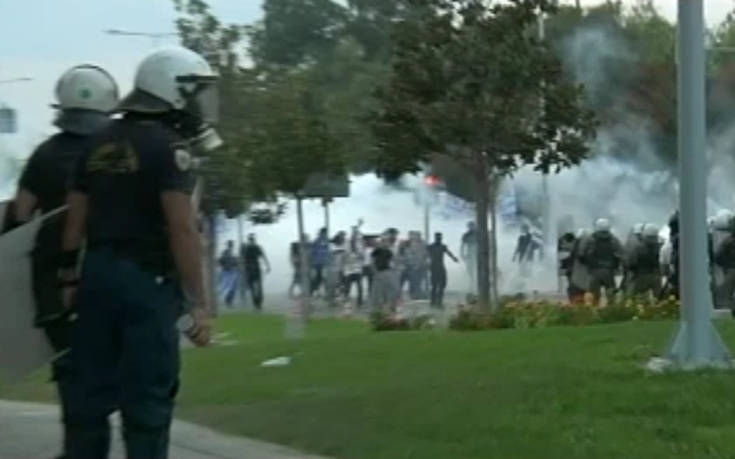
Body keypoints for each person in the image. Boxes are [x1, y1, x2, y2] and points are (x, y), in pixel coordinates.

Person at [60, 47, 217, 458]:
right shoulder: (170, 148)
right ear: (173, 90)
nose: (199, 104)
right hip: (147, 281)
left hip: (96, 277)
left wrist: (69, 277)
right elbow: (182, 228)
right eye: (195, 92)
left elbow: (75, 220)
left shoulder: (97, 141)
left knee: (90, 395)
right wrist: (198, 303)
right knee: (147, 397)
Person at [9, 64, 118, 459]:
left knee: (71, 367)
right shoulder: (120, 153)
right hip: (113, 273)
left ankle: (80, 449)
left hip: (55, 279)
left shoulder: (45, 154)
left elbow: (21, 214)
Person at [580, 218, 623, 304]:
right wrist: (616, 265)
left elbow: (581, 254)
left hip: (594, 271)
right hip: (609, 271)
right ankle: (612, 310)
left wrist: (587, 264)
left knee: (594, 297)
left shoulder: (590, 239)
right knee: (611, 296)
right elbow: (621, 254)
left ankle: (594, 311)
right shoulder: (614, 240)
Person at [627, 223, 662, 297]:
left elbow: (631, 263)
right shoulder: (659, 247)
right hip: (656, 276)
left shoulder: (638, 248)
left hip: (641, 276)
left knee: (639, 298)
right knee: (658, 299)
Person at [427, 232, 459, 308]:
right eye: (438, 237)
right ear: (435, 238)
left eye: (440, 237)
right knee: (434, 285)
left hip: (440, 267)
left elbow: (449, 253)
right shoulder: (430, 247)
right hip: (434, 267)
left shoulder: (442, 246)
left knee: (442, 285)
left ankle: (438, 301)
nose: (439, 239)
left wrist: (454, 258)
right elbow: (425, 255)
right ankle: (433, 302)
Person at [242, 234, 270, 310]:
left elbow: (263, 256)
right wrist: (267, 266)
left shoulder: (250, 248)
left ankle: (257, 303)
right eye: (252, 240)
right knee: (256, 287)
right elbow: (263, 256)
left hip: (252, 268)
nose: (252, 241)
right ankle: (257, 303)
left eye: (252, 240)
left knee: (255, 287)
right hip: (253, 268)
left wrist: (267, 265)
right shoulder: (254, 247)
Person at [371, 237, 397, 312]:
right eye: (384, 242)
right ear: (382, 243)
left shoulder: (389, 251)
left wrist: (393, 270)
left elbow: (393, 261)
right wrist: (375, 271)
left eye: (387, 242)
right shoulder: (377, 251)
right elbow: (372, 261)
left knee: (390, 289)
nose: (386, 244)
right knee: (378, 291)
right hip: (379, 272)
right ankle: (378, 308)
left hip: (387, 272)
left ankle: (391, 306)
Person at [404, 231, 428, 299]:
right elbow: (406, 254)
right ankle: (413, 294)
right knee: (413, 281)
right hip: (412, 266)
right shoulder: (407, 243)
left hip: (420, 266)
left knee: (419, 281)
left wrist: (423, 263)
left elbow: (425, 254)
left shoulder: (423, 243)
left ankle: (417, 293)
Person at [343, 236, 365, 307]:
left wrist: (358, 253)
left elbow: (362, 258)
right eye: (352, 242)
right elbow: (344, 259)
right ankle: (346, 301)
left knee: (360, 287)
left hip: (357, 271)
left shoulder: (359, 249)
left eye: (354, 242)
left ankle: (360, 302)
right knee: (347, 287)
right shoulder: (347, 249)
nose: (353, 244)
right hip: (349, 271)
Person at [218, 240, 239, 308]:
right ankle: (228, 301)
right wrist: (225, 266)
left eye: (231, 245)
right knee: (228, 287)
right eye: (231, 245)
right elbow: (220, 261)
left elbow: (235, 263)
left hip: (231, 271)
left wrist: (235, 264)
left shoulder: (232, 253)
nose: (231, 246)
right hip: (227, 272)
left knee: (232, 287)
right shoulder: (226, 252)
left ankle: (229, 301)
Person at [310, 228, 330, 295]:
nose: (325, 235)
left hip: (323, 263)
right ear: (322, 233)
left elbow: (327, 252)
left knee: (323, 277)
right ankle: (315, 291)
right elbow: (313, 252)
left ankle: (321, 291)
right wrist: (313, 262)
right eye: (324, 233)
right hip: (317, 263)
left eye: (325, 233)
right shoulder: (317, 241)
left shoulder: (326, 241)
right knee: (318, 277)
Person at [461, 221, 478, 295]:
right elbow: (462, 245)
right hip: (470, 255)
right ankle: (472, 283)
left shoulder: (479, 234)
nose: (471, 227)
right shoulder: (466, 235)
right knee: (470, 270)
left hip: (478, 255)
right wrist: (462, 254)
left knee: (478, 270)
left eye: (472, 226)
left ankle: (477, 284)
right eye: (470, 226)